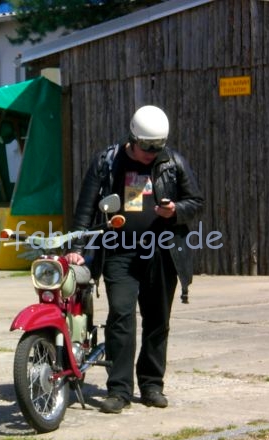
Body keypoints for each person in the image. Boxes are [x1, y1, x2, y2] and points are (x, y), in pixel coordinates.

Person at [65, 105, 204, 414]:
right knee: (121, 316)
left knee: (157, 320)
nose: (151, 154)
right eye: (146, 147)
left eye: (158, 147)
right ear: (133, 136)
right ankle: (119, 389)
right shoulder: (108, 162)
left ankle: (152, 385)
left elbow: (196, 202)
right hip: (120, 251)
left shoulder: (173, 162)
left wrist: (176, 211)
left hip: (162, 251)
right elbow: (86, 207)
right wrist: (76, 245)